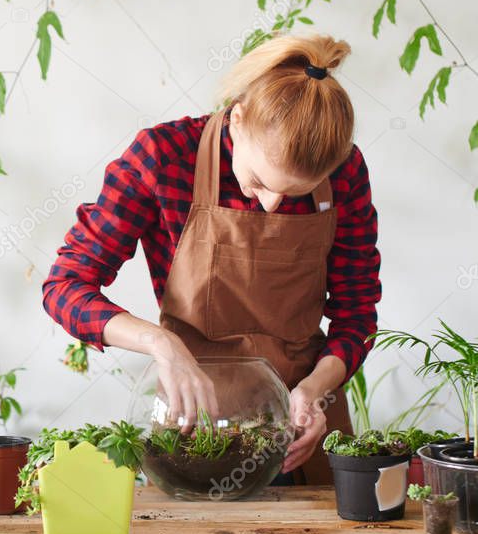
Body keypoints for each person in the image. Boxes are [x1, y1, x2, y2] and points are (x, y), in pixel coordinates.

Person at [43, 34, 380, 484]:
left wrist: (316, 390)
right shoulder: (163, 157)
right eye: (259, 181)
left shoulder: (346, 171)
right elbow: (65, 287)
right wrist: (161, 345)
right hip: (194, 433)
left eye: (293, 193)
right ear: (237, 119)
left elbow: (356, 312)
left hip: (300, 432)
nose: (272, 206)